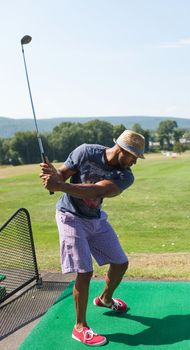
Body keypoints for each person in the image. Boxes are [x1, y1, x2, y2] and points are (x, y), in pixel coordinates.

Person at [40, 129, 145, 346]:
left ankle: (105, 299)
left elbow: (97, 191)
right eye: (133, 157)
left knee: (120, 262)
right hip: (69, 216)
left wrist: (59, 185)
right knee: (84, 271)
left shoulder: (125, 176)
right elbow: (63, 174)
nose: (134, 163)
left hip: (95, 218)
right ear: (122, 150)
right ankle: (80, 327)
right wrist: (53, 175)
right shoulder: (85, 151)